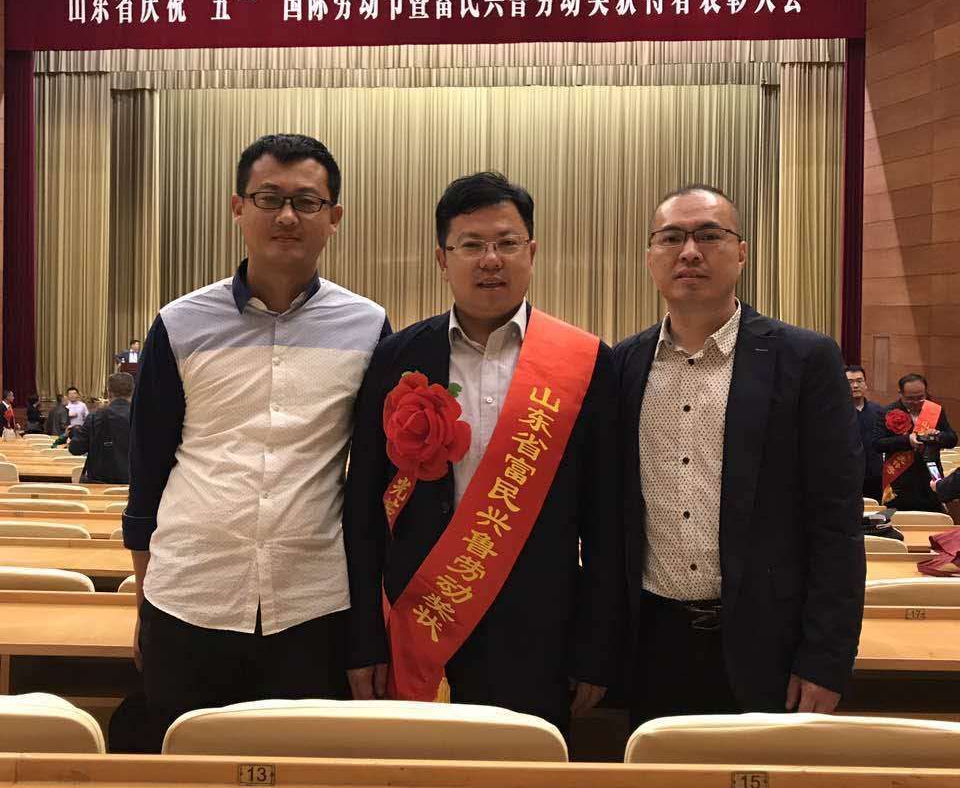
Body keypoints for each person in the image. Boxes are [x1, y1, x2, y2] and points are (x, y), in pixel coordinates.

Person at [123, 133, 390, 750]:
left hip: (313, 605)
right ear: (238, 208)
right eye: (269, 198)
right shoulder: (179, 323)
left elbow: (374, 482)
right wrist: (145, 602)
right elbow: (148, 471)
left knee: (306, 781)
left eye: (307, 201)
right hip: (189, 596)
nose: (287, 216)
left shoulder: (368, 327)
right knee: (185, 777)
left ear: (334, 217)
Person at [344, 171, 622, 735]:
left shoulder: (586, 363)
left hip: (541, 636)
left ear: (532, 252)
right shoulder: (396, 358)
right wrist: (362, 638)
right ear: (442, 260)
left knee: (525, 779)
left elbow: (608, 520)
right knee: (416, 775)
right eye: (471, 245)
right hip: (418, 623)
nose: (490, 260)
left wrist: (596, 648)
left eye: (506, 243)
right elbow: (362, 513)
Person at [614, 185, 864, 725]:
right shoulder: (622, 365)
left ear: (742, 252)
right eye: (671, 238)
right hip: (650, 644)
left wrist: (826, 658)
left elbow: (837, 523)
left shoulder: (805, 360)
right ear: (650, 256)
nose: (689, 252)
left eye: (709, 235)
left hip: (772, 646)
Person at [876, 374, 958, 511]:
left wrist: (937, 436)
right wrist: (907, 440)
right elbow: (878, 444)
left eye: (920, 397)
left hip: (930, 476)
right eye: (910, 399)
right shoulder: (887, 412)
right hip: (899, 480)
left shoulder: (934, 411)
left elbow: (952, 439)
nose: (916, 402)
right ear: (900, 393)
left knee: (934, 518)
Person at [68, 372, 134, 483]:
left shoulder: (95, 416)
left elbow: (76, 449)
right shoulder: (142, 418)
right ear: (132, 391)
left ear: (109, 392)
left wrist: (75, 433)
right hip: (133, 485)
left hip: (98, 484)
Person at [845, 364, 884, 502]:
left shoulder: (879, 411)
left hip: (876, 477)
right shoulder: (836, 413)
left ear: (866, 384)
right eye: (850, 382)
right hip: (847, 476)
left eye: (859, 381)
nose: (855, 385)